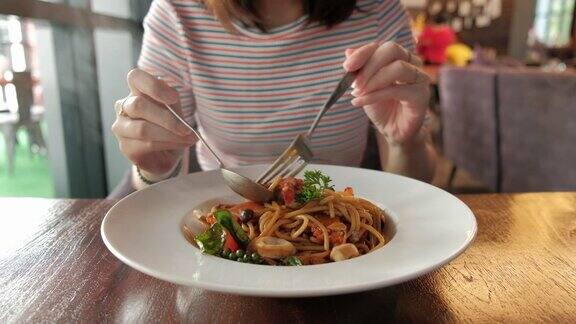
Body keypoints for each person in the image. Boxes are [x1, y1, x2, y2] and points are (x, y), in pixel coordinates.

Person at [112, 0, 436, 191]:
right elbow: (163, 190)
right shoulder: (177, 13)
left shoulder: (378, 10)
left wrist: (405, 142)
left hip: (343, 216)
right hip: (223, 216)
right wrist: (156, 169)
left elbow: (412, 190)